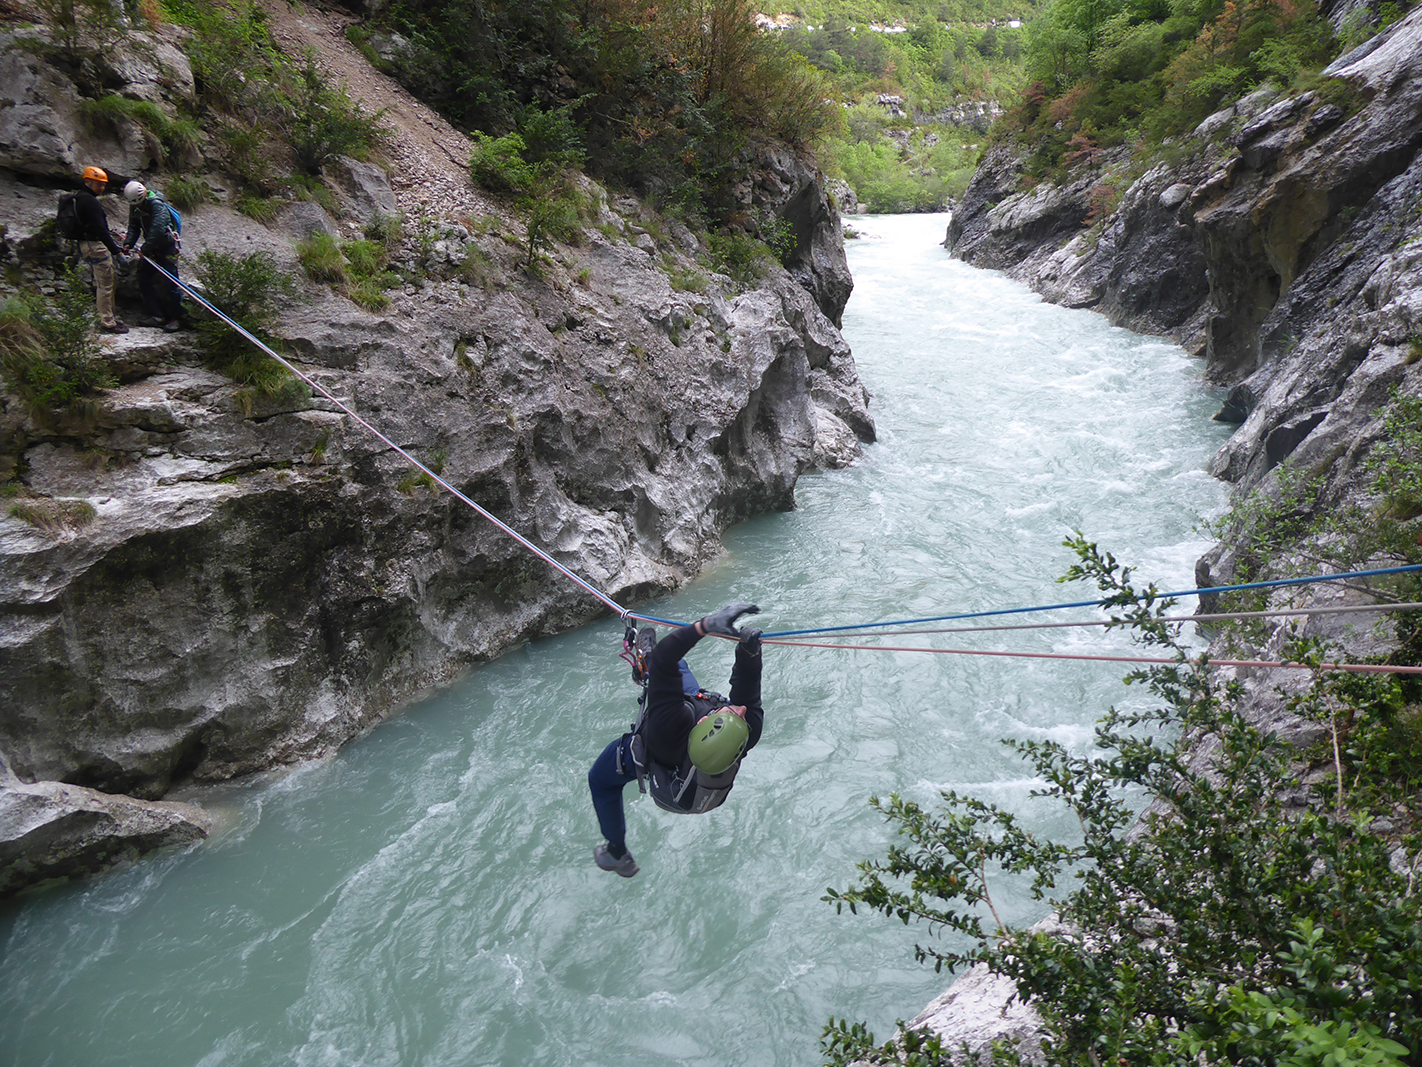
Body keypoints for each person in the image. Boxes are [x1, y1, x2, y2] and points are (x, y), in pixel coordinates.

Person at [588, 602, 765, 878]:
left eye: (731, 711)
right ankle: (649, 662)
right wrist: (749, 653)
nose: (739, 709)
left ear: (705, 721)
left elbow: (666, 661)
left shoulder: (670, 722)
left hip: (661, 747)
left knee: (599, 781)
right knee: (676, 673)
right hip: (693, 762)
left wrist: (706, 625)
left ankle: (617, 853)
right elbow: (747, 696)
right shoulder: (744, 733)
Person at [121, 180, 183, 332]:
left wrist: (144, 248)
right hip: (152, 249)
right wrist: (128, 243)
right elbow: (134, 226)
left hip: (166, 247)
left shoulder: (156, 204)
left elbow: (158, 230)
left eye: (139, 203)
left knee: (171, 283)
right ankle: (157, 315)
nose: (138, 206)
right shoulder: (134, 206)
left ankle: (177, 318)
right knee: (143, 278)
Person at [74, 166, 129, 334]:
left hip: (87, 244)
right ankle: (107, 322)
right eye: (99, 184)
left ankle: (108, 317)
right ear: (88, 182)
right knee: (105, 283)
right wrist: (116, 251)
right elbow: (100, 229)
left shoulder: (79, 198)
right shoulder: (89, 202)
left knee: (104, 281)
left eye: (103, 185)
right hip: (95, 245)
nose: (102, 188)